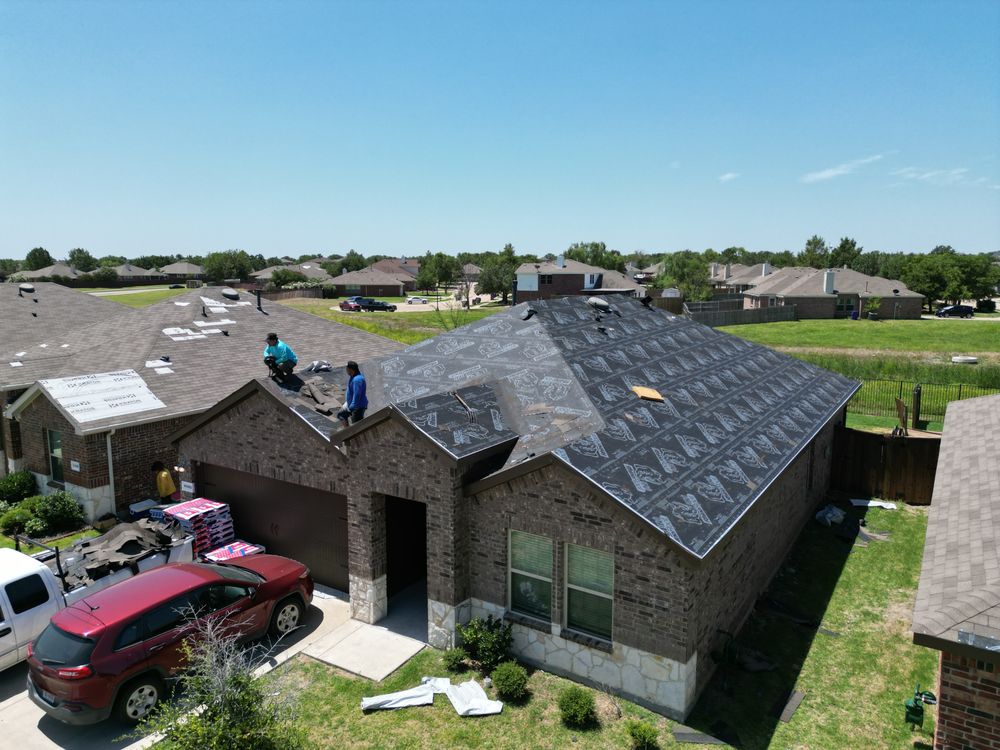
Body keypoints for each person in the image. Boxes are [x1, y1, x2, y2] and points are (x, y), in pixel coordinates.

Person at [337, 360, 367, 426]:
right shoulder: (353, 376)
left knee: (357, 425)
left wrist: (352, 407)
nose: (346, 370)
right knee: (341, 414)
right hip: (350, 403)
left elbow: (357, 395)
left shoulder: (357, 380)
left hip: (357, 407)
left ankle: (355, 434)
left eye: (347, 369)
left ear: (351, 370)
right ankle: (347, 430)